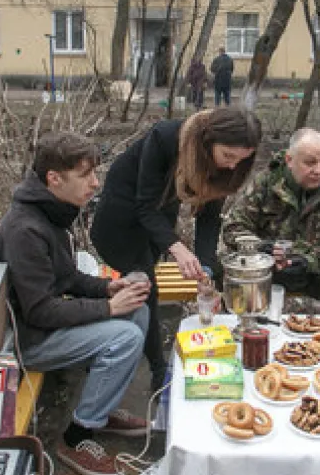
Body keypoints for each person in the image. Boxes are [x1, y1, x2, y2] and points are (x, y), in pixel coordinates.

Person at [0, 132, 154, 475]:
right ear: (54, 179)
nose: (95, 184)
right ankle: (76, 437)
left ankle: (101, 411)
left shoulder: (52, 212)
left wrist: (109, 287)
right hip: (25, 343)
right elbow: (40, 312)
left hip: (43, 325)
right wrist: (107, 308)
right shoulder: (25, 229)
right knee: (122, 336)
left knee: (138, 311)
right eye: (85, 175)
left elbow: (67, 277)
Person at [91, 108, 262, 390]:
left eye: (240, 160)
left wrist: (205, 266)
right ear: (209, 141)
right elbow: (144, 205)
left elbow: (209, 217)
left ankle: (123, 343)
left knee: (147, 285)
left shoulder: (224, 165)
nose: (232, 166)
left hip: (159, 213)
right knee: (145, 288)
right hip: (121, 216)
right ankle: (158, 373)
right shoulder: (165, 138)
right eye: (228, 156)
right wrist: (177, 248)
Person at [222, 128, 320, 323]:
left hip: (319, 271)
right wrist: (261, 249)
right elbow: (233, 227)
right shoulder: (267, 181)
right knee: (234, 271)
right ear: (290, 160)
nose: (318, 170)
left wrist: (310, 260)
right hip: (272, 270)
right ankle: (249, 332)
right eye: (309, 163)